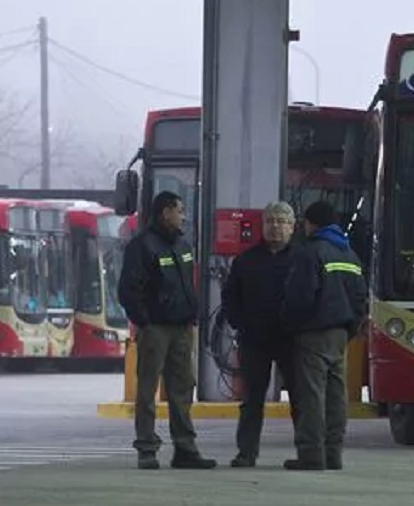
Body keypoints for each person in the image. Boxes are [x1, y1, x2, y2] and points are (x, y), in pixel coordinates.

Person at [117, 191, 217, 470]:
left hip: (182, 329)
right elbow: (128, 290)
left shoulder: (182, 245)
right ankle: (147, 449)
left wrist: (191, 315)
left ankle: (185, 449)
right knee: (147, 392)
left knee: (182, 390)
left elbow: (187, 286)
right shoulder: (142, 246)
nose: (183, 216)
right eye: (179, 210)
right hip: (156, 330)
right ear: (165, 212)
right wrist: (145, 322)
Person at [281, 200, 368, 471]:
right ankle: (333, 454)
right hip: (340, 335)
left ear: (310, 224)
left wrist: (290, 324)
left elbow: (300, 296)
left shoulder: (310, 252)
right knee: (335, 396)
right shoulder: (349, 254)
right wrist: (349, 329)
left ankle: (311, 455)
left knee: (312, 396)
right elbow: (360, 298)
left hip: (313, 334)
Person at [221, 201, 300, 468]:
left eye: (281, 221)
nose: (275, 227)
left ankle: (308, 451)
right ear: (262, 226)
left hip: (292, 340)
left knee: (301, 399)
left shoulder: (303, 258)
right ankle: (246, 453)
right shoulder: (246, 260)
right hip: (254, 341)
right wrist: (240, 324)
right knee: (252, 400)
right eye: (270, 221)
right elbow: (230, 297)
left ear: (292, 227)